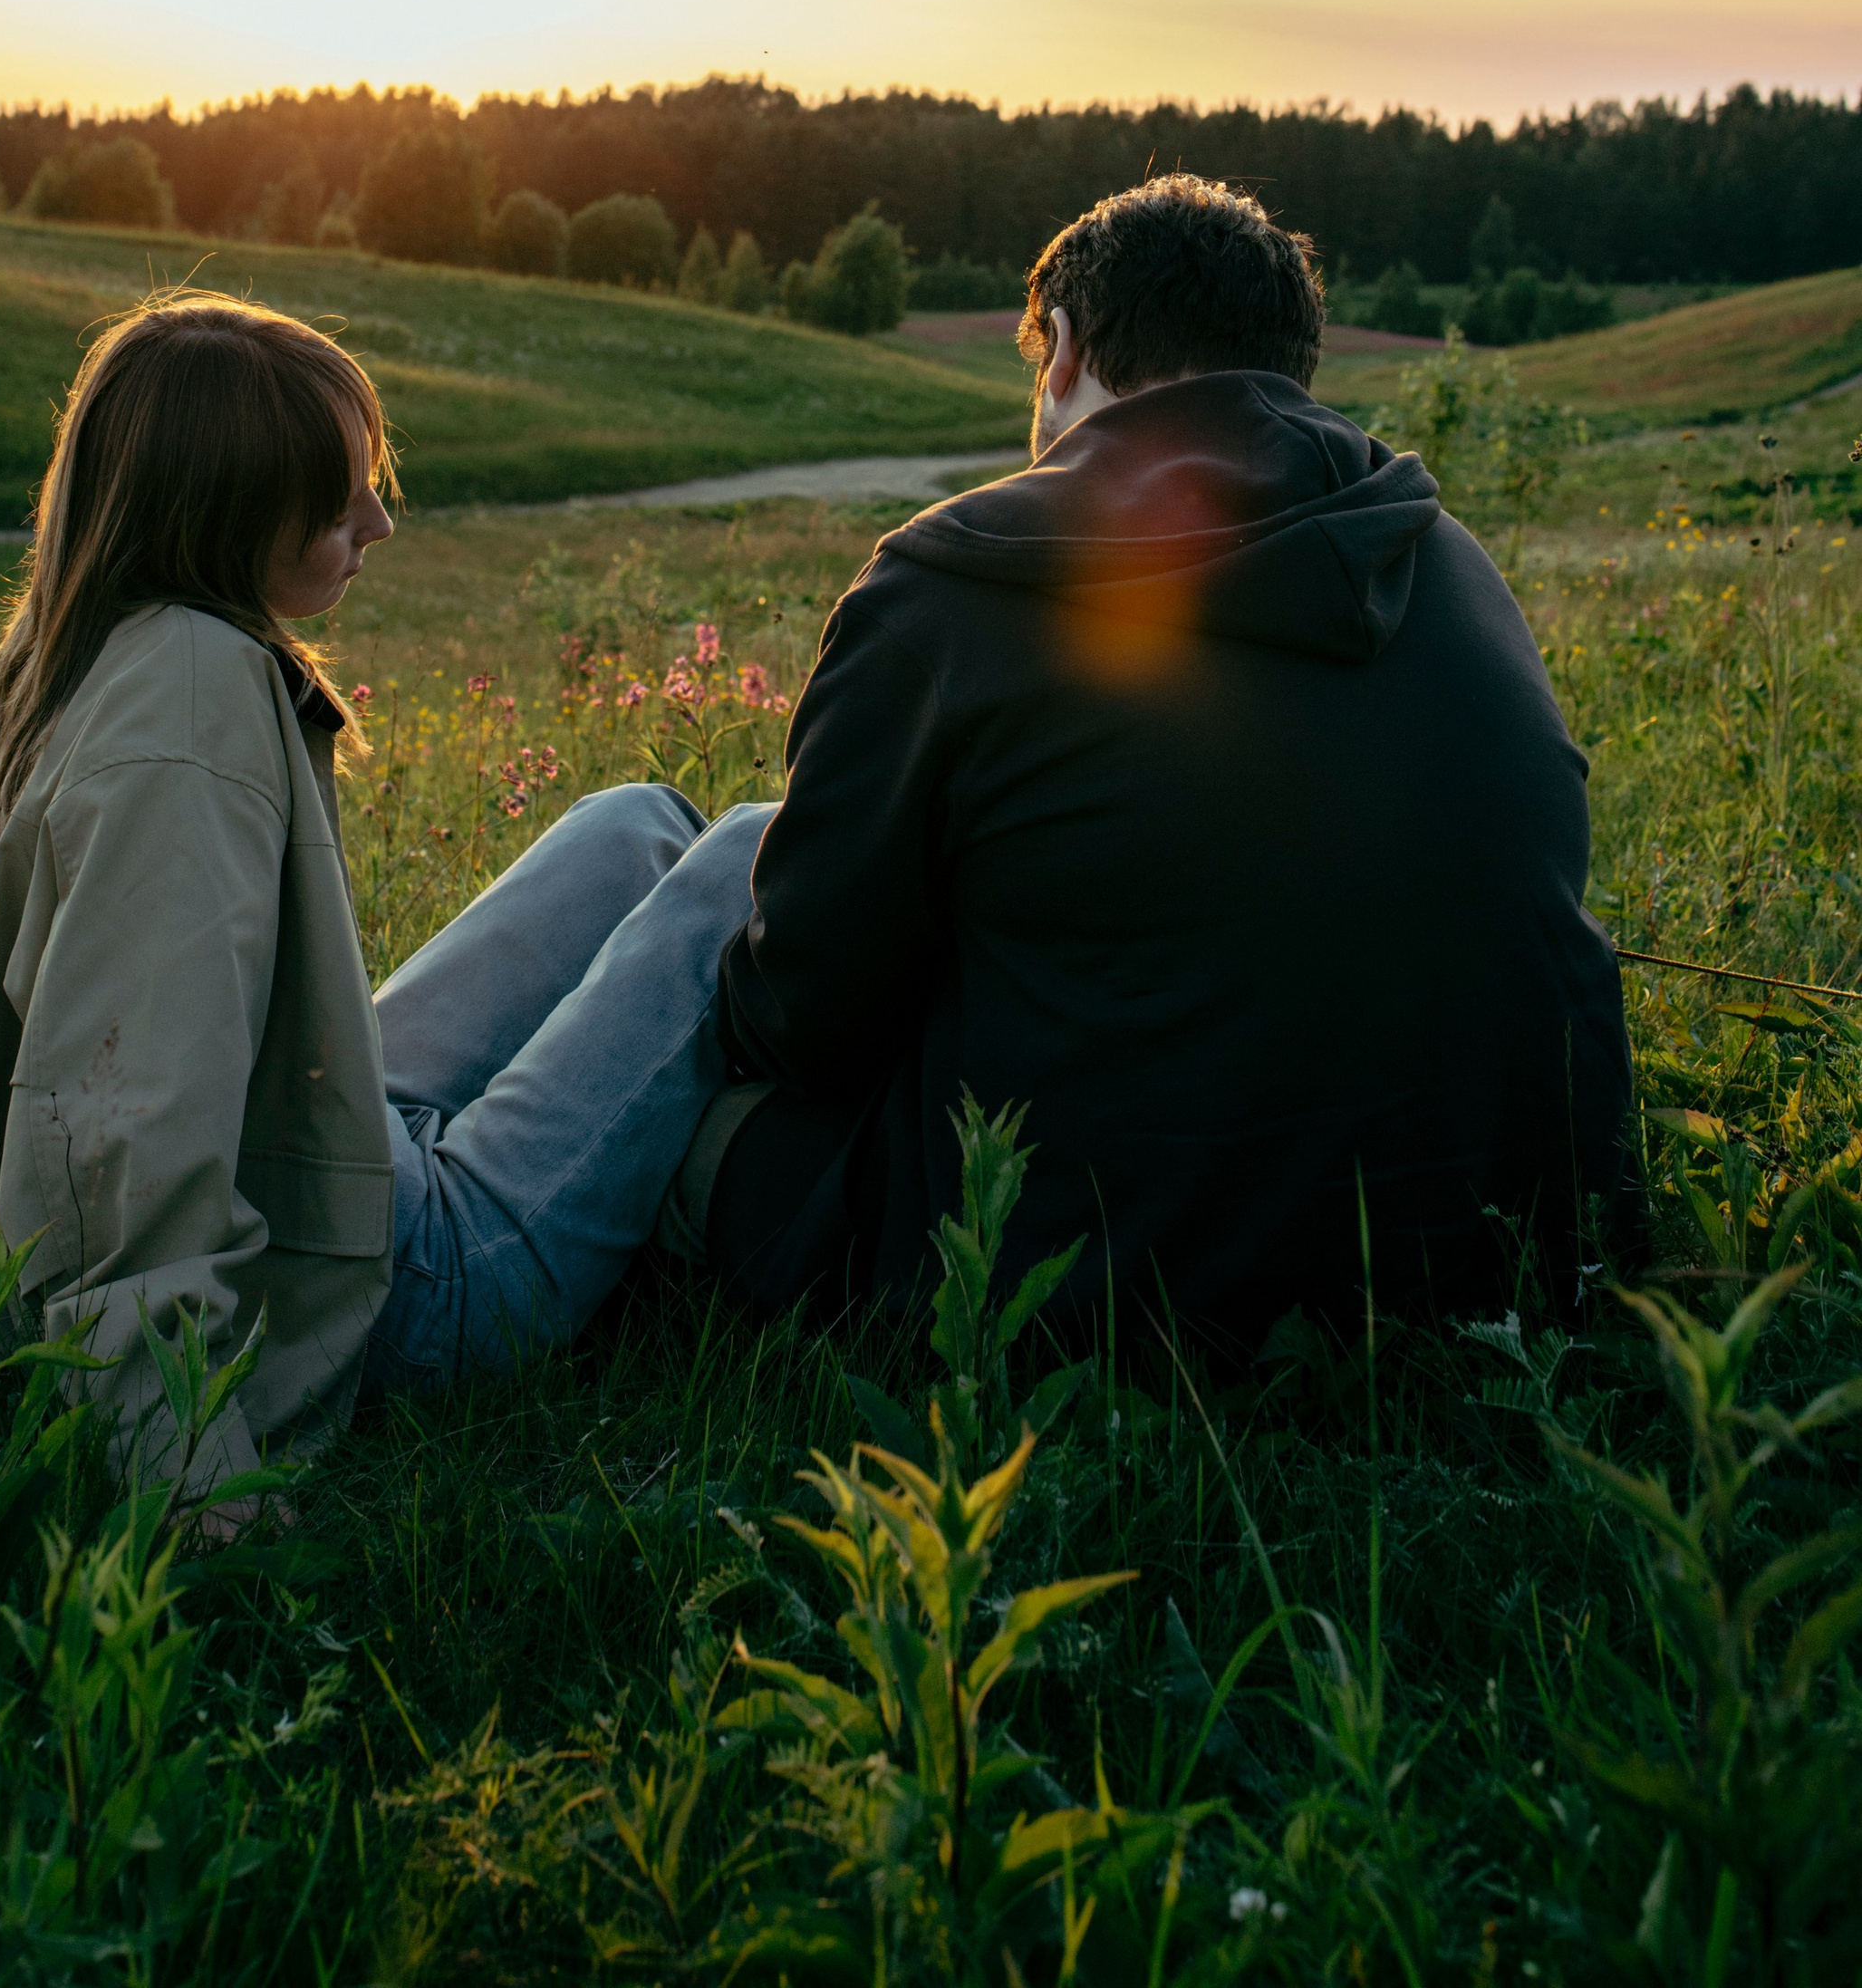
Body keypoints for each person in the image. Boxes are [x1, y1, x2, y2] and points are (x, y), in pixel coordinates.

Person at [0, 292, 770, 1485]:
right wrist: (171, 1460)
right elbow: (132, 1122)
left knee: (638, 823)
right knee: (754, 851)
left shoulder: (37, 676)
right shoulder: (190, 706)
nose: (378, 522)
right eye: (336, 497)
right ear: (223, 513)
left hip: (333, 1159)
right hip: (382, 1296)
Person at [686, 172, 1641, 1354]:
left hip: (1064, 1297)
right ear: (1291, 360)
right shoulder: (1448, 567)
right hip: (1478, 1284)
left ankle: (446, 1243)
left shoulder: (951, 583)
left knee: (697, 1068)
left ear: (1067, 351)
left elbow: (801, 1020)